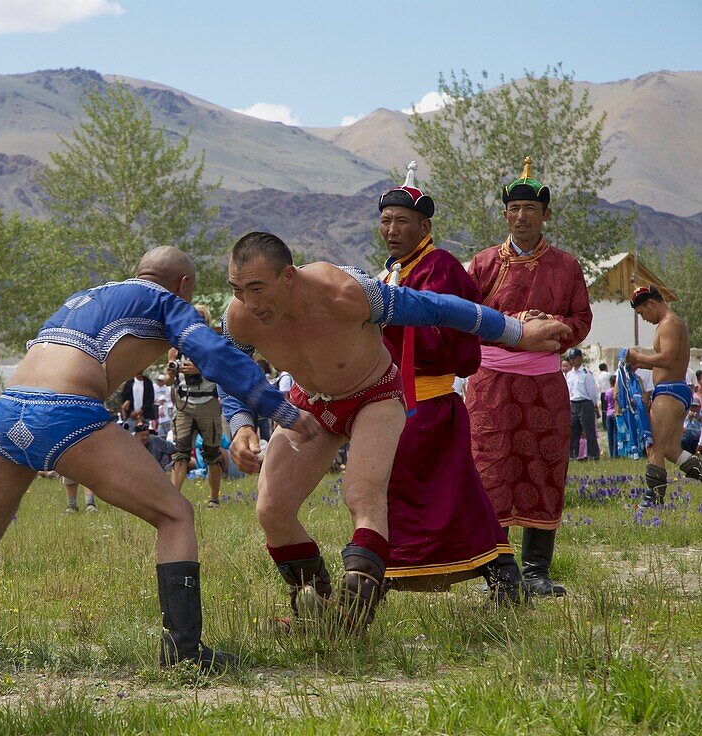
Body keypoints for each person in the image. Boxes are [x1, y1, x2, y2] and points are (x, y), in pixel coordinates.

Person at [0, 246, 321, 672]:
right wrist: (280, 408)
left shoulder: (85, 297)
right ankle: (184, 652)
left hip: (12, 410)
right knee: (175, 515)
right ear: (184, 286)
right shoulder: (167, 303)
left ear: (137, 272)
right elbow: (212, 355)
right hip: (65, 411)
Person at [220, 231, 569, 633]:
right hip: (310, 403)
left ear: (288, 276)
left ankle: (352, 621)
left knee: (363, 496)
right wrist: (241, 424)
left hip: (374, 395)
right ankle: (313, 606)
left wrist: (517, 333)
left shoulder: (344, 293)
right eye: (239, 289)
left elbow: (438, 308)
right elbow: (229, 369)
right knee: (271, 508)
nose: (251, 303)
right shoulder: (239, 318)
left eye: (258, 288)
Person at [374, 165, 522, 603]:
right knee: (454, 491)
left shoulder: (438, 268)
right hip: (398, 401)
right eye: (386, 221)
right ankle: (504, 574)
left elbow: (450, 341)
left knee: (400, 487)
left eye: (402, 221)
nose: (392, 229)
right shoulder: (388, 275)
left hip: (429, 403)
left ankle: (374, 576)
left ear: (424, 226)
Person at [465, 158, 592, 598]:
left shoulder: (566, 267)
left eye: (530, 210)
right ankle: (498, 572)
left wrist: (552, 325)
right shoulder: (481, 265)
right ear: (505, 215)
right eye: (514, 208)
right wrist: (515, 322)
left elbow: (581, 319)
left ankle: (537, 569)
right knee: (490, 471)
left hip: (544, 386)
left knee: (544, 469)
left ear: (546, 216)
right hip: (491, 385)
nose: (522, 217)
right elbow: (465, 317)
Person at [626, 285, 702, 506]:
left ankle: (653, 499)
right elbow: (669, 362)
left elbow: (668, 359)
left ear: (651, 304)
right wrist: (640, 364)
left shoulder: (668, 324)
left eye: (642, 313)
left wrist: (638, 357)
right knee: (670, 449)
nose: (644, 318)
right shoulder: (671, 323)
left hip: (669, 392)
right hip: (675, 389)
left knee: (655, 447)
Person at [167, 305, 226, 508]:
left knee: (211, 453)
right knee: (180, 452)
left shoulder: (214, 343)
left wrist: (200, 369)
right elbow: (168, 380)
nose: (197, 319)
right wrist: (171, 370)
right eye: (194, 316)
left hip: (208, 403)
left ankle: (214, 498)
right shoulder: (176, 345)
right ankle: (173, 501)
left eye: (201, 317)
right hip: (184, 404)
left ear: (207, 320)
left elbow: (222, 370)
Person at [565, 348, 601, 461]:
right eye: (571, 359)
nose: (572, 361)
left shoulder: (586, 373)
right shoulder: (569, 375)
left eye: (574, 358)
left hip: (585, 403)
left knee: (589, 431)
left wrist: (594, 404)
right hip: (573, 403)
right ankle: (572, 455)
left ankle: (593, 455)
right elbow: (568, 390)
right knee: (573, 431)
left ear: (580, 358)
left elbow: (592, 391)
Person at [603, 374, 619, 458]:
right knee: (615, 434)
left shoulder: (607, 391)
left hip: (608, 413)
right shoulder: (617, 390)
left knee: (609, 435)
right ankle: (615, 453)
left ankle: (611, 453)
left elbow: (606, 401)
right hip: (615, 413)